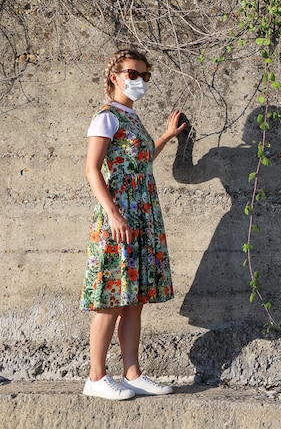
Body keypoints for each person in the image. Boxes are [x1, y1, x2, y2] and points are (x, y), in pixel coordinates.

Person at [80, 49, 187, 400]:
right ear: (115, 76)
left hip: (142, 213)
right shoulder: (107, 116)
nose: (139, 81)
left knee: (133, 299)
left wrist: (167, 136)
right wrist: (112, 213)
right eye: (133, 74)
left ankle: (132, 374)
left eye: (144, 75)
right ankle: (96, 378)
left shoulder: (131, 117)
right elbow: (92, 168)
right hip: (120, 215)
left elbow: (140, 160)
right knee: (111, 297)